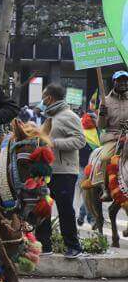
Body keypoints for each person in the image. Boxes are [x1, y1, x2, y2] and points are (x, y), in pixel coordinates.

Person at [36, 84, 86, 258]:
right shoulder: (50, 117)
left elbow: (80, 141)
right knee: (44, 208)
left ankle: (73, 247)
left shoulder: (68, 116)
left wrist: (54, 143)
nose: (41, 101)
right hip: (48, 171)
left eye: (43, 97)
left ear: (49, 98)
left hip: (65, 171)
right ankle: (45, 245)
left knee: (65, 209)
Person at [91, 70, 128, 191]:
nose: (123, 83)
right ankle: (105, 188)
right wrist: (101, 115)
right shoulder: (105, 100)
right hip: (113, 137)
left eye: (125, 80)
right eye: (120, 80)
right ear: (114, 82)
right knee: (105, 158)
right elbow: (101, 126)